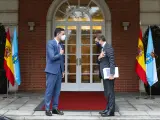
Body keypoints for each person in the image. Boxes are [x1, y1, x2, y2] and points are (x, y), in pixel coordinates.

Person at [44, 28, 66, 116]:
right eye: (63, 34)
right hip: (51, 71)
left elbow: (61, 59)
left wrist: (63, 70)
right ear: (57, 34)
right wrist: (60, 53)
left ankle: (55, 108)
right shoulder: (50, 43)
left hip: (59, 71)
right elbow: (52, 57)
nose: (64, 36)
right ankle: (47, 109)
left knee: (57, 91)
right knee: (49, 90)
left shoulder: (61, 44)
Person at [95, 35, 115, 117]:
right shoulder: (103, 48)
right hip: (104, 74)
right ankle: (107, 109)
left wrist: (112, 74)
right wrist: (99, 57)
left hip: (109, 74)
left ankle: (111, 111)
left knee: (110, 92)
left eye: (96, 41)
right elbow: (100, 61)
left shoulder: (108, 47)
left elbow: (112, 61)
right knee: (107, 92)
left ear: (100, 40)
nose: (96, 42)